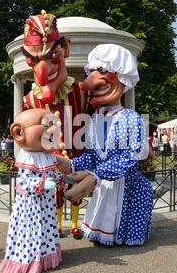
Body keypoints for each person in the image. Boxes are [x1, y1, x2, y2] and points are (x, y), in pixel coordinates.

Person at [56, 44, 154, 246]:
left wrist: (96, 175)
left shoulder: (131, 118)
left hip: (126, 186)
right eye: (91, 71)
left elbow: (132, 155)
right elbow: (92, 154)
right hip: (104, 185)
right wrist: (71, 164)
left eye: (101, 71)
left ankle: (123, 236)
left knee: (122, 215)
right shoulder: (95, 117)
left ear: (121, 77)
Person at [20, 10, 92, 239]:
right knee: (55, 193)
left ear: (66, 49)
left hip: (75, 154)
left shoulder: (81, 93)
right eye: (34, 60)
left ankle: (75, 224)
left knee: (75, 190)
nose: (43, 70)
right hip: (47, 161)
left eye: (52, 57)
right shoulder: (29, 100)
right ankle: (58, 224)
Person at [0, 108, 75, 273]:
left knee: (46, 229)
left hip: (46, 204)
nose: (53, 129)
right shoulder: (27, 156)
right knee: (32, 232)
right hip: (30, 207)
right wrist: (41, 183)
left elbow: (50, 174)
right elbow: (24, 183)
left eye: (53, 124)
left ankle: (46, 258)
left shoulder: (46, 156)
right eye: (46, 124)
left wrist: (62, 178)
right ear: (18, 132)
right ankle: (30, 260)